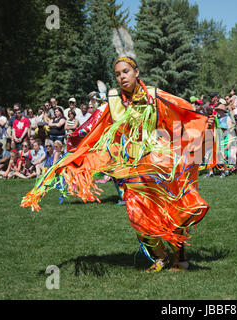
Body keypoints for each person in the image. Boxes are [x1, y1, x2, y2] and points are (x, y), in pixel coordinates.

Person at [21, 56, 216, 273]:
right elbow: (93, 129)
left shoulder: (153, 96)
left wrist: (202, 125)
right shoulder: (114, 103)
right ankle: (160, 257)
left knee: (170, 211)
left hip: (159, 164)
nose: (122, 77)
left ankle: (180, 260)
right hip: (131, 167)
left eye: (125, 72)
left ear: (136, 72)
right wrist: (74, 154)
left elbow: (181, 115)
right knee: (137, 214)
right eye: (117, 74)